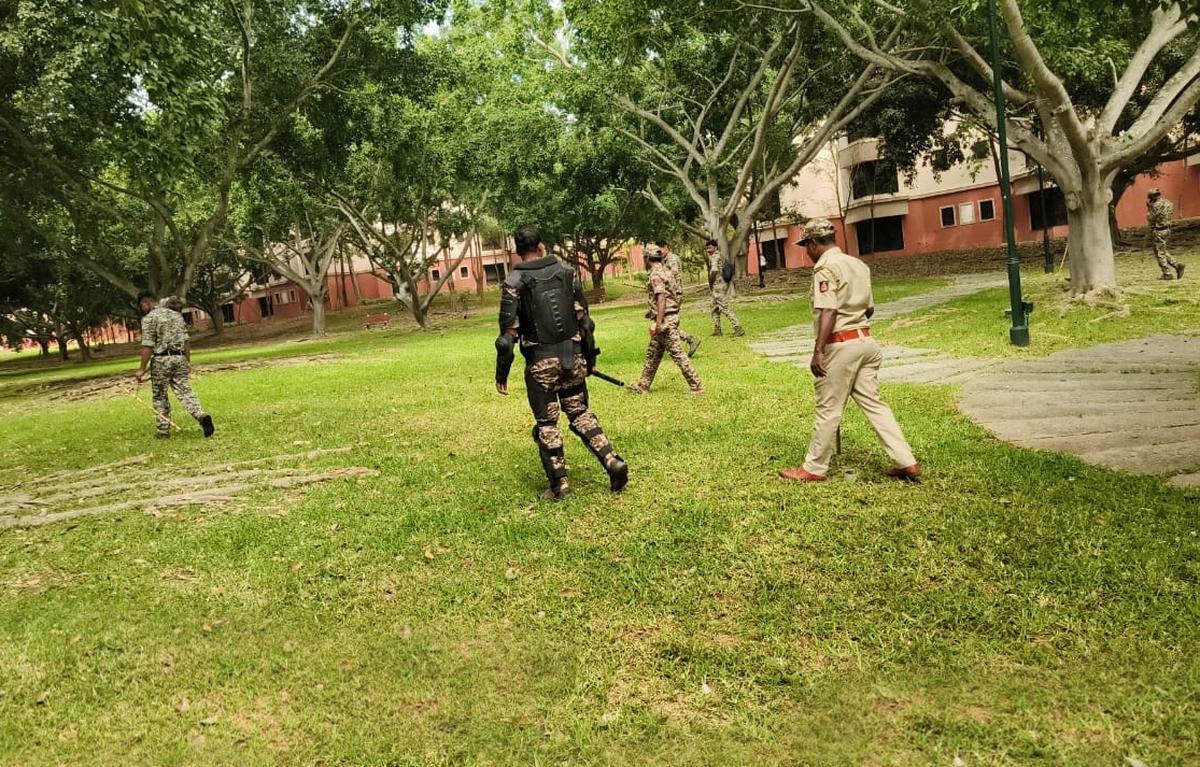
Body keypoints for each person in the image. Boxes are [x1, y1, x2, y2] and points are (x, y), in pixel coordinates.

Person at [778, 218, 918, 482]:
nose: (807, 252)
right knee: (875, 405)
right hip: (866, 341)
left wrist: (818, 351)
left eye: (807, 245)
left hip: (840, 345)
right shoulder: (858, 265)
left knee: (828, 408)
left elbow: (828, 309)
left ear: (816, 243)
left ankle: (814, 467)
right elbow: (869, 309)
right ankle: (905, 461)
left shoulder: (826, 268)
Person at [495, 226, 628, 501]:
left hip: (541, 365)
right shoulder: (568, 273)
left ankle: (560, 486)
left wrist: (501, 375)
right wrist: (589, 360)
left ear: (517, 251)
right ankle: (612, 460)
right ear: (541, 246)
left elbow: (506, 339)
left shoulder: (514, 282)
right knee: (579, 413)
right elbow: (586, 324)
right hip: (573, 358)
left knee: (547, 423)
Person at [134, 291, 214, 440]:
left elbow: (148, 345)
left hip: (161, 360)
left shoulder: (149, 319)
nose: (142, 309)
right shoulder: (176, 316)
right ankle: (201, 415)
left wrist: (141, 369)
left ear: (146, 302)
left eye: (141, 305)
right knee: (185, 391)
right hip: (180, 357)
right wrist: (188, 362)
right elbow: (186, 341)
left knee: (160, 396)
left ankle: (163, 431)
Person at [628, 247, 705, 395]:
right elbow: (672, 296)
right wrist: (652, 311)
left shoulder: (655, 274)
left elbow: (662, 297)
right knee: (653, 354)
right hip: (669, 315)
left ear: (647, 259)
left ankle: (697, 386)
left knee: (678, 354)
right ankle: (643, 386)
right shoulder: (666, 271)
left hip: (665, 320)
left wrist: (658, 322)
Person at [659, 240, 701, 357]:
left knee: (668, 324)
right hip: (669, 294)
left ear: (666, 247)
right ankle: (686, 342)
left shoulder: (671, 258)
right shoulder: (665, 259)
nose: (659, 252)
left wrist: (661, 278)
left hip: (674, 294)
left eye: (660, 250)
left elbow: (674, 272)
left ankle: (690, 340)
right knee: (666, 323)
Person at [706, 238, 745, 337]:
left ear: (715, 247)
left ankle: (738, 328)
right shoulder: (719, 255)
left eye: (710, 248)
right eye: (707, 248)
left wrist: (710, 282)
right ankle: (717, 329)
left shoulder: (715, 256)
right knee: (714, 308)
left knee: (725, 307)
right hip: (719, 285)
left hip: (718, 285)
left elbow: (714, 271)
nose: (708, 250)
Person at [1147, 188, 1184, 280]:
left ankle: (1167, 273)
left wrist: (1149, 208)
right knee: (1162, 250)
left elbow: (1151, 218)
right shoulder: (1168, 203)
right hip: (1167, 229)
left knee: (1159, 253)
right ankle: (1177, 265)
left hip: (1158, 230)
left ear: (1152, 196)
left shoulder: (1155, 205)